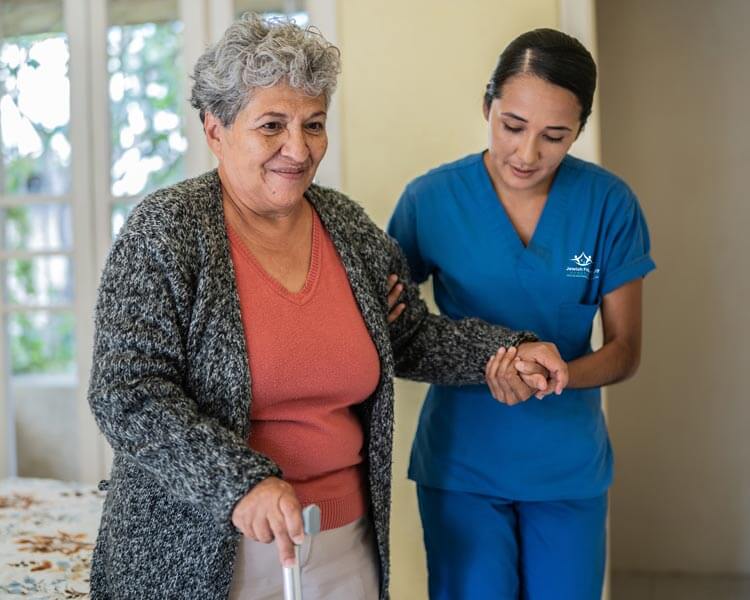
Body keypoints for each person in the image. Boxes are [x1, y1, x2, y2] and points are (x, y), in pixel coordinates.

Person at [86, 15, 568, 600]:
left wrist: (506, 350)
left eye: (313, 124)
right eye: (272, 125)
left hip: (344, 543)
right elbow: (128, 392)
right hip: (201, 545)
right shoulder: (166, 232)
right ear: (216, 130)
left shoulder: (347, 227)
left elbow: (408, 336)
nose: (298, 147)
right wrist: (242, 484)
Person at [387, 28, 656, 600]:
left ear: (578, 131)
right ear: (488, 106)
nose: (528, 153)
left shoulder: (608, 205)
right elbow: (389, 327)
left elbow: (625, 348)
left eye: (555, 136)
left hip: (567, 469)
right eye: (513, 126)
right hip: (462, 466)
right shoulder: (429, 201)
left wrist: (560, 373)